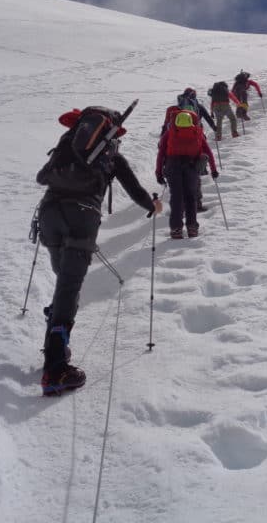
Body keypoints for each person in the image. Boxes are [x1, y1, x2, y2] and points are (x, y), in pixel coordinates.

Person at [35, 106, 161, 396]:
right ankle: (55, 370)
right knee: (69, 287)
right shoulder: (110, 156)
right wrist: (152, 206)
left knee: (63, 284)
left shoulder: (66, 145)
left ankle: (55, 343)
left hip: (49, 214)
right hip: (82, 216)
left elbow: (42, 178)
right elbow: (135, 190)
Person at [156, 109, 218, 239]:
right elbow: (208, 152)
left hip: (173, 167)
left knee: (176, 198)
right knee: (191, 197)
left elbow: (161, 153)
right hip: (192, 167)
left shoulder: (170, 133)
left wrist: (159, 173)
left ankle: (176, 229)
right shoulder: (197, 132)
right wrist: (213, 170)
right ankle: (192, 228)